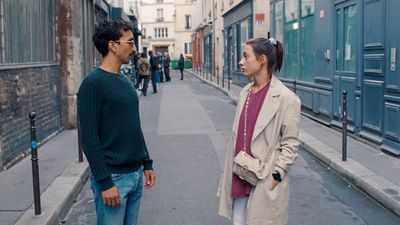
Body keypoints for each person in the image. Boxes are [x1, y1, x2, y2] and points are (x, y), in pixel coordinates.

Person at [77, 19, 156, 225]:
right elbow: (89, 138)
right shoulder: (92, 84)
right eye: (129, 42)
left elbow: (132, 127)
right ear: (112, 45)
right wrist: (105, 182)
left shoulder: (124, 80)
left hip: (135, 174)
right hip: (114, 179)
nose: (133, 48)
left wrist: (146, 162)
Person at [218, 37, 301, 225]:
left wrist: (276, 176)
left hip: (264, 180)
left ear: (262, 59)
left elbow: (291, 144)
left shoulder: (288, 99)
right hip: (241, 174)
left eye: (246, 56)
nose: (241, 61)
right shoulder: (245, 91)